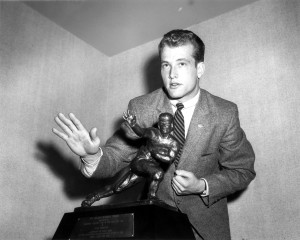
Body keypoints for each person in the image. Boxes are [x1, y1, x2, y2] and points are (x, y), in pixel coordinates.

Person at [53, 29, 256, 240]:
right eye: (166, 64)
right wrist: (92, 156)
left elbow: (242, 170)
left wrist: (202, 185)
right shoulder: (141, 107)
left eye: (182, 64)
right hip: (155, 227)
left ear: (200, 68)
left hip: (205, 231)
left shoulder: (224, 113)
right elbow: (117, 154)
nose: (172, 74)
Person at [81, 111, 180, 207]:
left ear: (172, 126)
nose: (164, 125)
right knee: (158, 173)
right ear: (158, 125)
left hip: (149, 169)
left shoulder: (174, 143)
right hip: (141, 161)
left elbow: (169, 158)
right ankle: (151, 197)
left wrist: (154, 152)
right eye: (162, 123)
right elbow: (141, 132)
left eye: (167, 123)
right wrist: (133, 124)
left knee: (119, 187)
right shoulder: (153, 133)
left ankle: (93, 197)